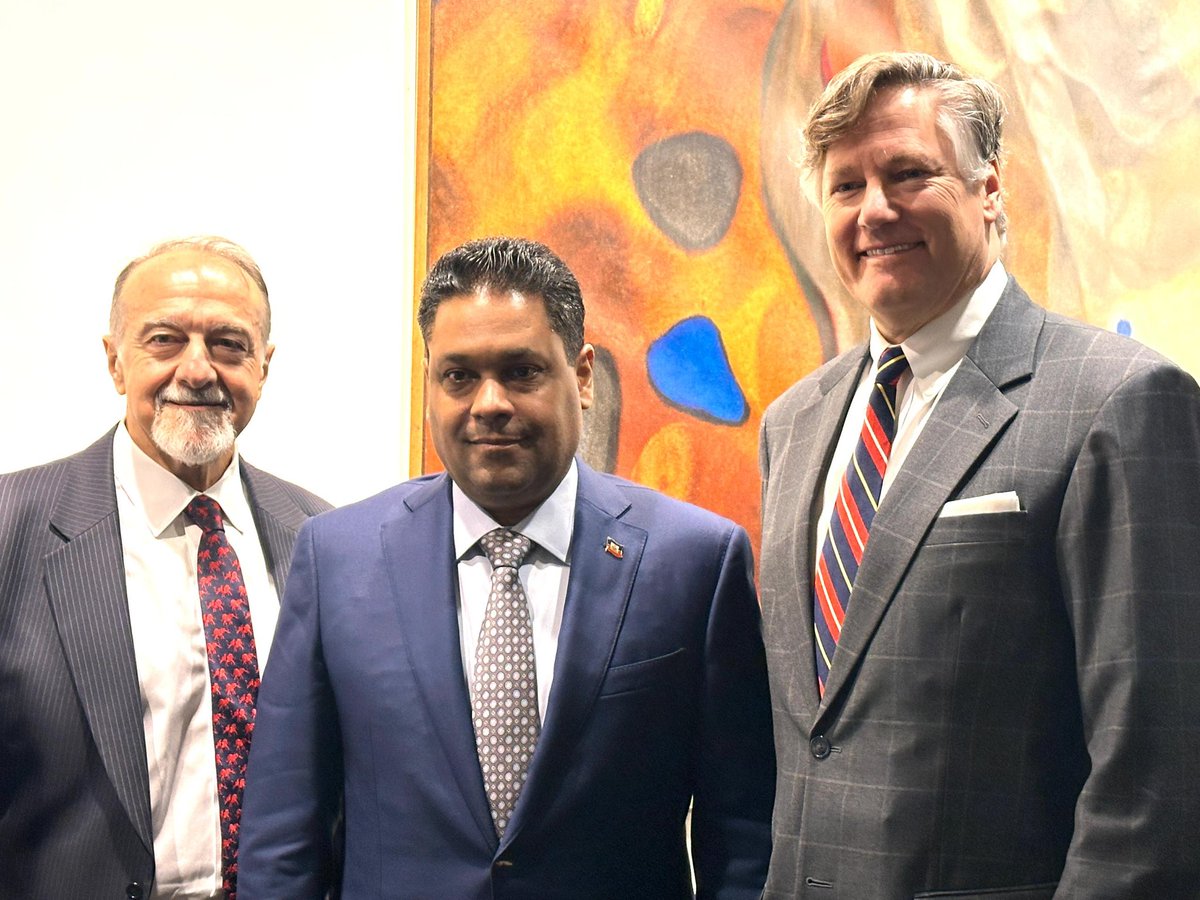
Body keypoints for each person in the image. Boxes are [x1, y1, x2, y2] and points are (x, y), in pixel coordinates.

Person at [758, 51, 1200, 898]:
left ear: (990, 190)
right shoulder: (794, 423)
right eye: (846, 187)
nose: (874, 210)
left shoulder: (1119, 401)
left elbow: (1155, 781)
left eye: (908, 173)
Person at [237, 236, 775, 899]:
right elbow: (283, 833)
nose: (489, 402)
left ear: (581, 376)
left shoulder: (696, 560)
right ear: (431, 380)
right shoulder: (335, 558)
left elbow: (743, 832)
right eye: (459, 375)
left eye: (521, 371)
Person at [0, 237, 331, 900]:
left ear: (263, 367)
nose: (198, 369)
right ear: (115, 362)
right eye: (165, 339)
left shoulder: (320, 538)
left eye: (229, 344)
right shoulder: (11, 530)